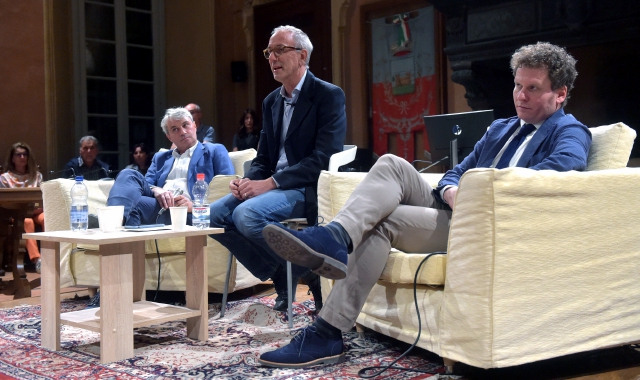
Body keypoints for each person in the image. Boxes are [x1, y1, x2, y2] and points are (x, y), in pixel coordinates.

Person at [258, 42, 592, 368]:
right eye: (518, 85)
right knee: (391, 163)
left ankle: (326, 332)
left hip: (486, 224)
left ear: (560, 93)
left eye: (533, 88)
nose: (521, 95)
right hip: (454, 208)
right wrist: (451, 191)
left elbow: (560, 170)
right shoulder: (500, 129)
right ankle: (335, 236)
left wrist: (479, 191)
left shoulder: (569, 131)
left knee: (383, 221)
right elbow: (455, 172)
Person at [208, 25, 347, 313]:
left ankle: (290, 273)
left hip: (306, 187)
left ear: (302, 56)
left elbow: (323, 158)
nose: (272, 57)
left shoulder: (327, 95)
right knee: (214, 215)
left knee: (246, 214)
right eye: (269, 52)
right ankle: (293, 271)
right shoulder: (271, 101)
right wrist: (246, 181)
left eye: (280, 50)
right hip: (273, 185)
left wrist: (271, 183)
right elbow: (263, 158)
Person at [106, 107, 234, 227]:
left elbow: (226, 189)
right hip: (161, 207)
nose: (183, 132)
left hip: (189, 213)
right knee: (128, 173)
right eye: (175, 129)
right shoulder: (160, 158)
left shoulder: (215, 150)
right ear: (169, 137)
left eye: (185, 125)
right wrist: (156, 189)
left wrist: (193, 206)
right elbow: (146, 184)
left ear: (194, 125)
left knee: (132, 205)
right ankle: (115, 225)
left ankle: (112, 227)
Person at [0, 142, 45, 273]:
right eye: (18, 154)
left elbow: (42, 196)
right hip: (15, 213)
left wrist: (39, 207)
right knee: (27, 221)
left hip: (36, 210)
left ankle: (52, 256)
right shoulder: (4, 178)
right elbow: (4, 202)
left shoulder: (37, 176)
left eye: (25, 154)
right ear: (12, 158)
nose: (22, 157)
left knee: (47, 219)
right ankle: (38, 260)